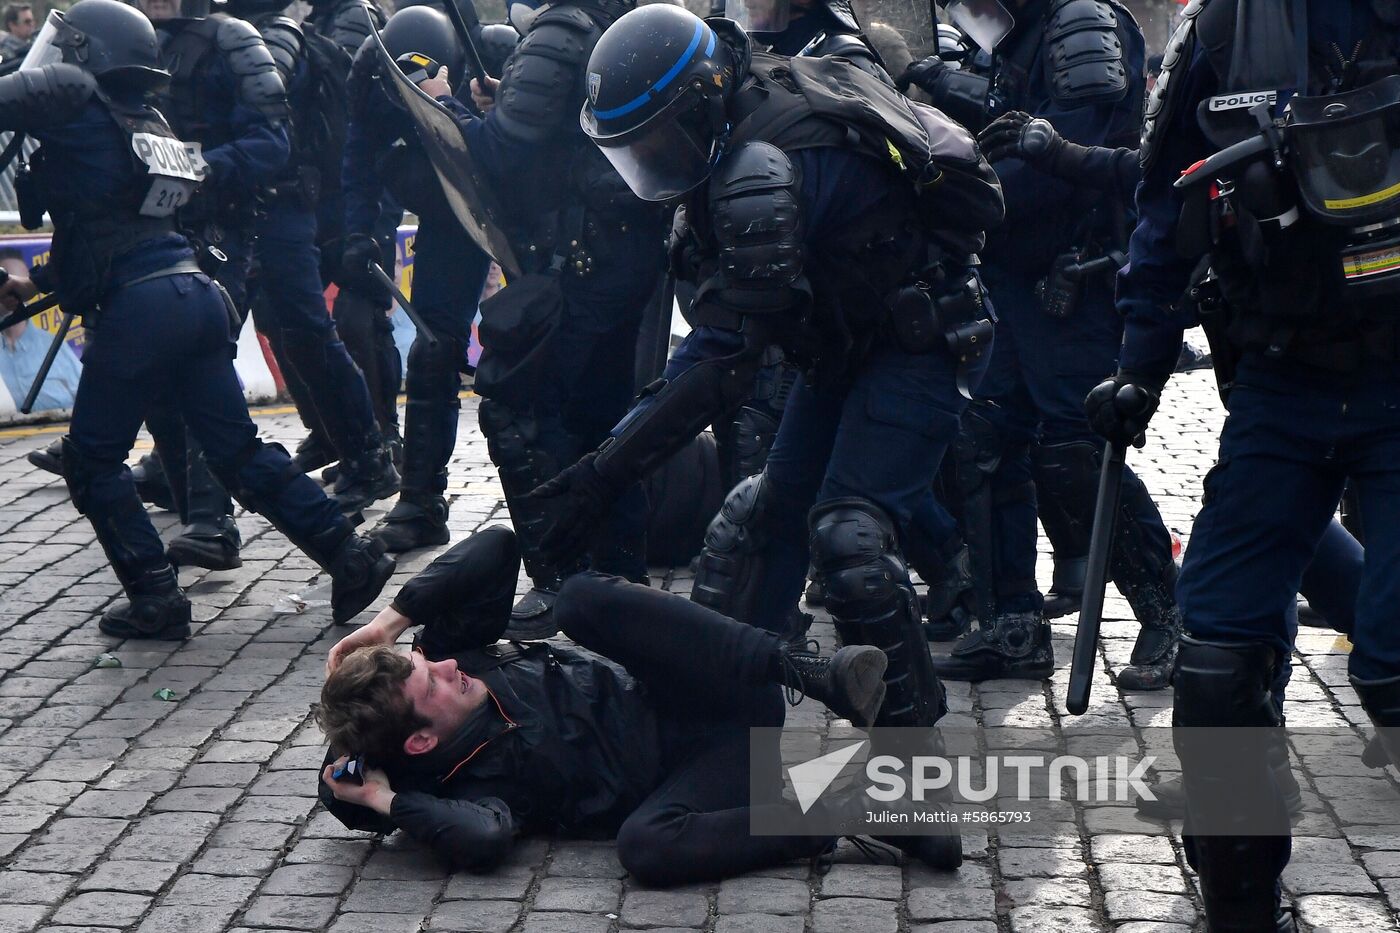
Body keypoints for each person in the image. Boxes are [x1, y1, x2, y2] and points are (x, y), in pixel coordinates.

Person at [530, 5, 1004, 867]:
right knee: (759, 524)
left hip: (919, 340)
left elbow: (719, 359)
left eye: (659, 143)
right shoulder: (730, 147)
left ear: (706, 103)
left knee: (850, 536)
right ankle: (729, 747)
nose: (653, 169)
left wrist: (603, 474)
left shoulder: (768, 162)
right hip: (845, 346)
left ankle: (918, 787)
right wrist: (608, 466)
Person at [1084, 0, 1400, 927]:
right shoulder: (1225, 30)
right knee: (1217, 660)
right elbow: (1164, 198)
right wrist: (1140, 362)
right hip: (1280, 387)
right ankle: (1240, 905)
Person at [0, 0, 395, 637]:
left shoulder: (74, 93)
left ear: (89, 53)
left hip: (139, 311)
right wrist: (32, 283)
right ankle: (351, 555)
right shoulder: (146, 118)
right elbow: (116, 228)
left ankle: (157, 598)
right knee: (237, 450)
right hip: (191, 295)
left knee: (93, 460)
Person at [318, 526, 901, 884]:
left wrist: (391, 623)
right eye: (433, 685)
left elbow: (496, 548)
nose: (448, 668)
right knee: (644, 847)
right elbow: (481, 841)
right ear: (419, 741)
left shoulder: (457, 656)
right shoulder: (465, 789)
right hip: (705, 772)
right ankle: (861, 814)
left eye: (429, 663)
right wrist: (382, 798)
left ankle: (804, 668)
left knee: (576, 599)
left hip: (711, 686)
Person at [901, 0, 1178, 691]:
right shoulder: (1023, 35)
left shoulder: (1081, 23)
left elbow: (1068, 159)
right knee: (985, 442)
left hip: (1069, 279)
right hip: (1011, 275)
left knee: (1078, 449)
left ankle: (1172, 615)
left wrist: (963, 195)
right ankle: (1012, 622)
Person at [422, 0, 666, 635]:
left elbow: (499, 154)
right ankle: (618, 575)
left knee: (522, 408)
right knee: (602, 420)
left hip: (583, 264)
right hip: (619, 256)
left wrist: (441, 104)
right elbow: (564, 127)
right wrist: (509, 100)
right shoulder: (615, 22)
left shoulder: (563, 27)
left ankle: (564, 579)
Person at [225, 0, 401, 516]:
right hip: (317, 196)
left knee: (355, 318)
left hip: (353, 193)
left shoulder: (335, 25)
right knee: (283, 322)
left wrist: (368, 224)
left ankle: (378, 439)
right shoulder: (292, 28)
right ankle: (330, 433)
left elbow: (360, 121)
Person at [340, 6, 491, 553]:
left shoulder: (489, 63)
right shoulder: (374, 88)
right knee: (433, 352)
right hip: (448, 221)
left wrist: (449, 101)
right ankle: (421, 500)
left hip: (526, 221)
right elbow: (358, 160)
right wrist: (359, 232)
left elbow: (501, 153)